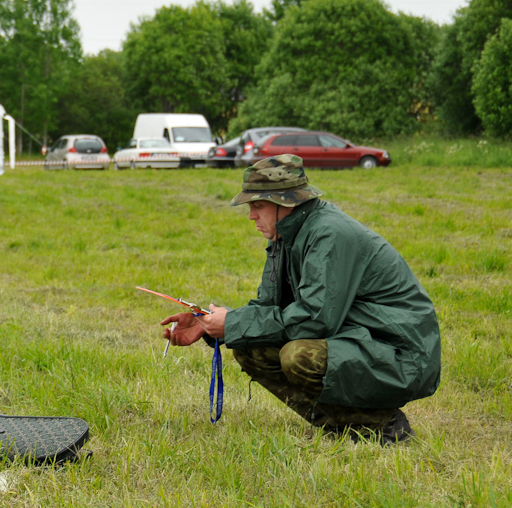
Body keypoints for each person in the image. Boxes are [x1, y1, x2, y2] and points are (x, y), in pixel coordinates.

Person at [162, 155, 440, 444]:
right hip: (360, 340)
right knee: (249, 347)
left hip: (401, 354)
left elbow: (315, 319)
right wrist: (206, 324)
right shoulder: (286, 233)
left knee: (299, 356)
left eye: (258, 206)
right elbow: (268, 308)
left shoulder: (328, 234)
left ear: (287, 203)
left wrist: (232, 322)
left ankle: (383, 425)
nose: (251, 216)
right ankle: (342, 426)